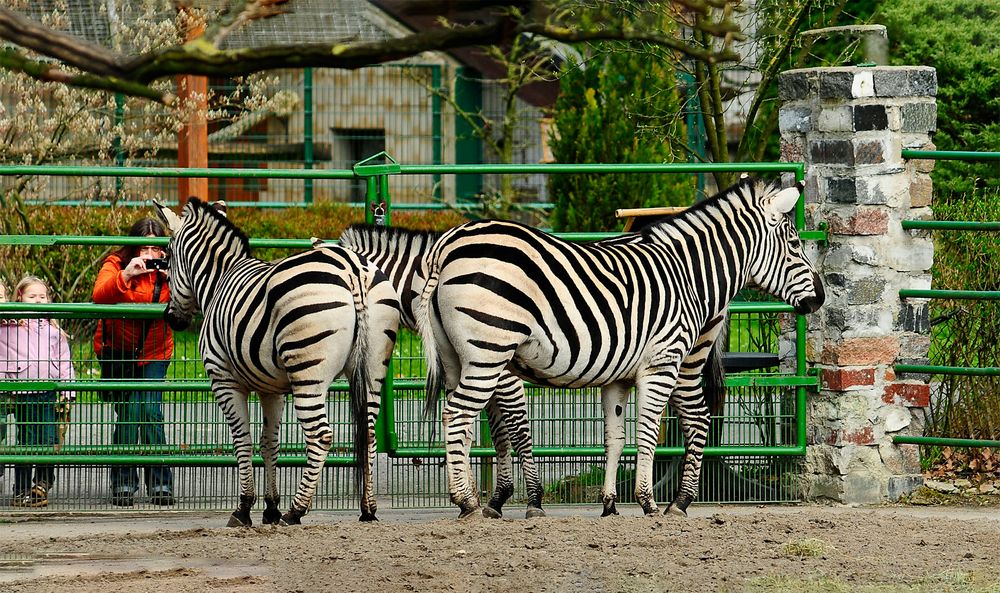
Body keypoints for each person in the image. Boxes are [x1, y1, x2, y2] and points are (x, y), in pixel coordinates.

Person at [92, 217, 175, 507]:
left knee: (151, 411)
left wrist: (170, 276)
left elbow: (189, 301)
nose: (151, 255)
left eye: (156, 248)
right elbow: (98, 295)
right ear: (134, 247)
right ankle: (123, 483)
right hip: (119, 351)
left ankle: (161, 484)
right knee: (128, 413)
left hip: (155, 350)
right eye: (145, 247)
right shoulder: (116, 263)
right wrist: (126, 275)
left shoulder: (172, 269)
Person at [0, 275, 76, 507]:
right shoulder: (10, 326)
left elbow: (64, 360)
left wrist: (68, 387)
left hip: (48, 389)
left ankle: (42, 484)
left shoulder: (54, 330)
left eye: (43, 296)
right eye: (32, 296)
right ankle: (21, 489)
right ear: (20, 298)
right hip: (24, 390)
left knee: (49, 439)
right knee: (27, 440)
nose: (39, 301)